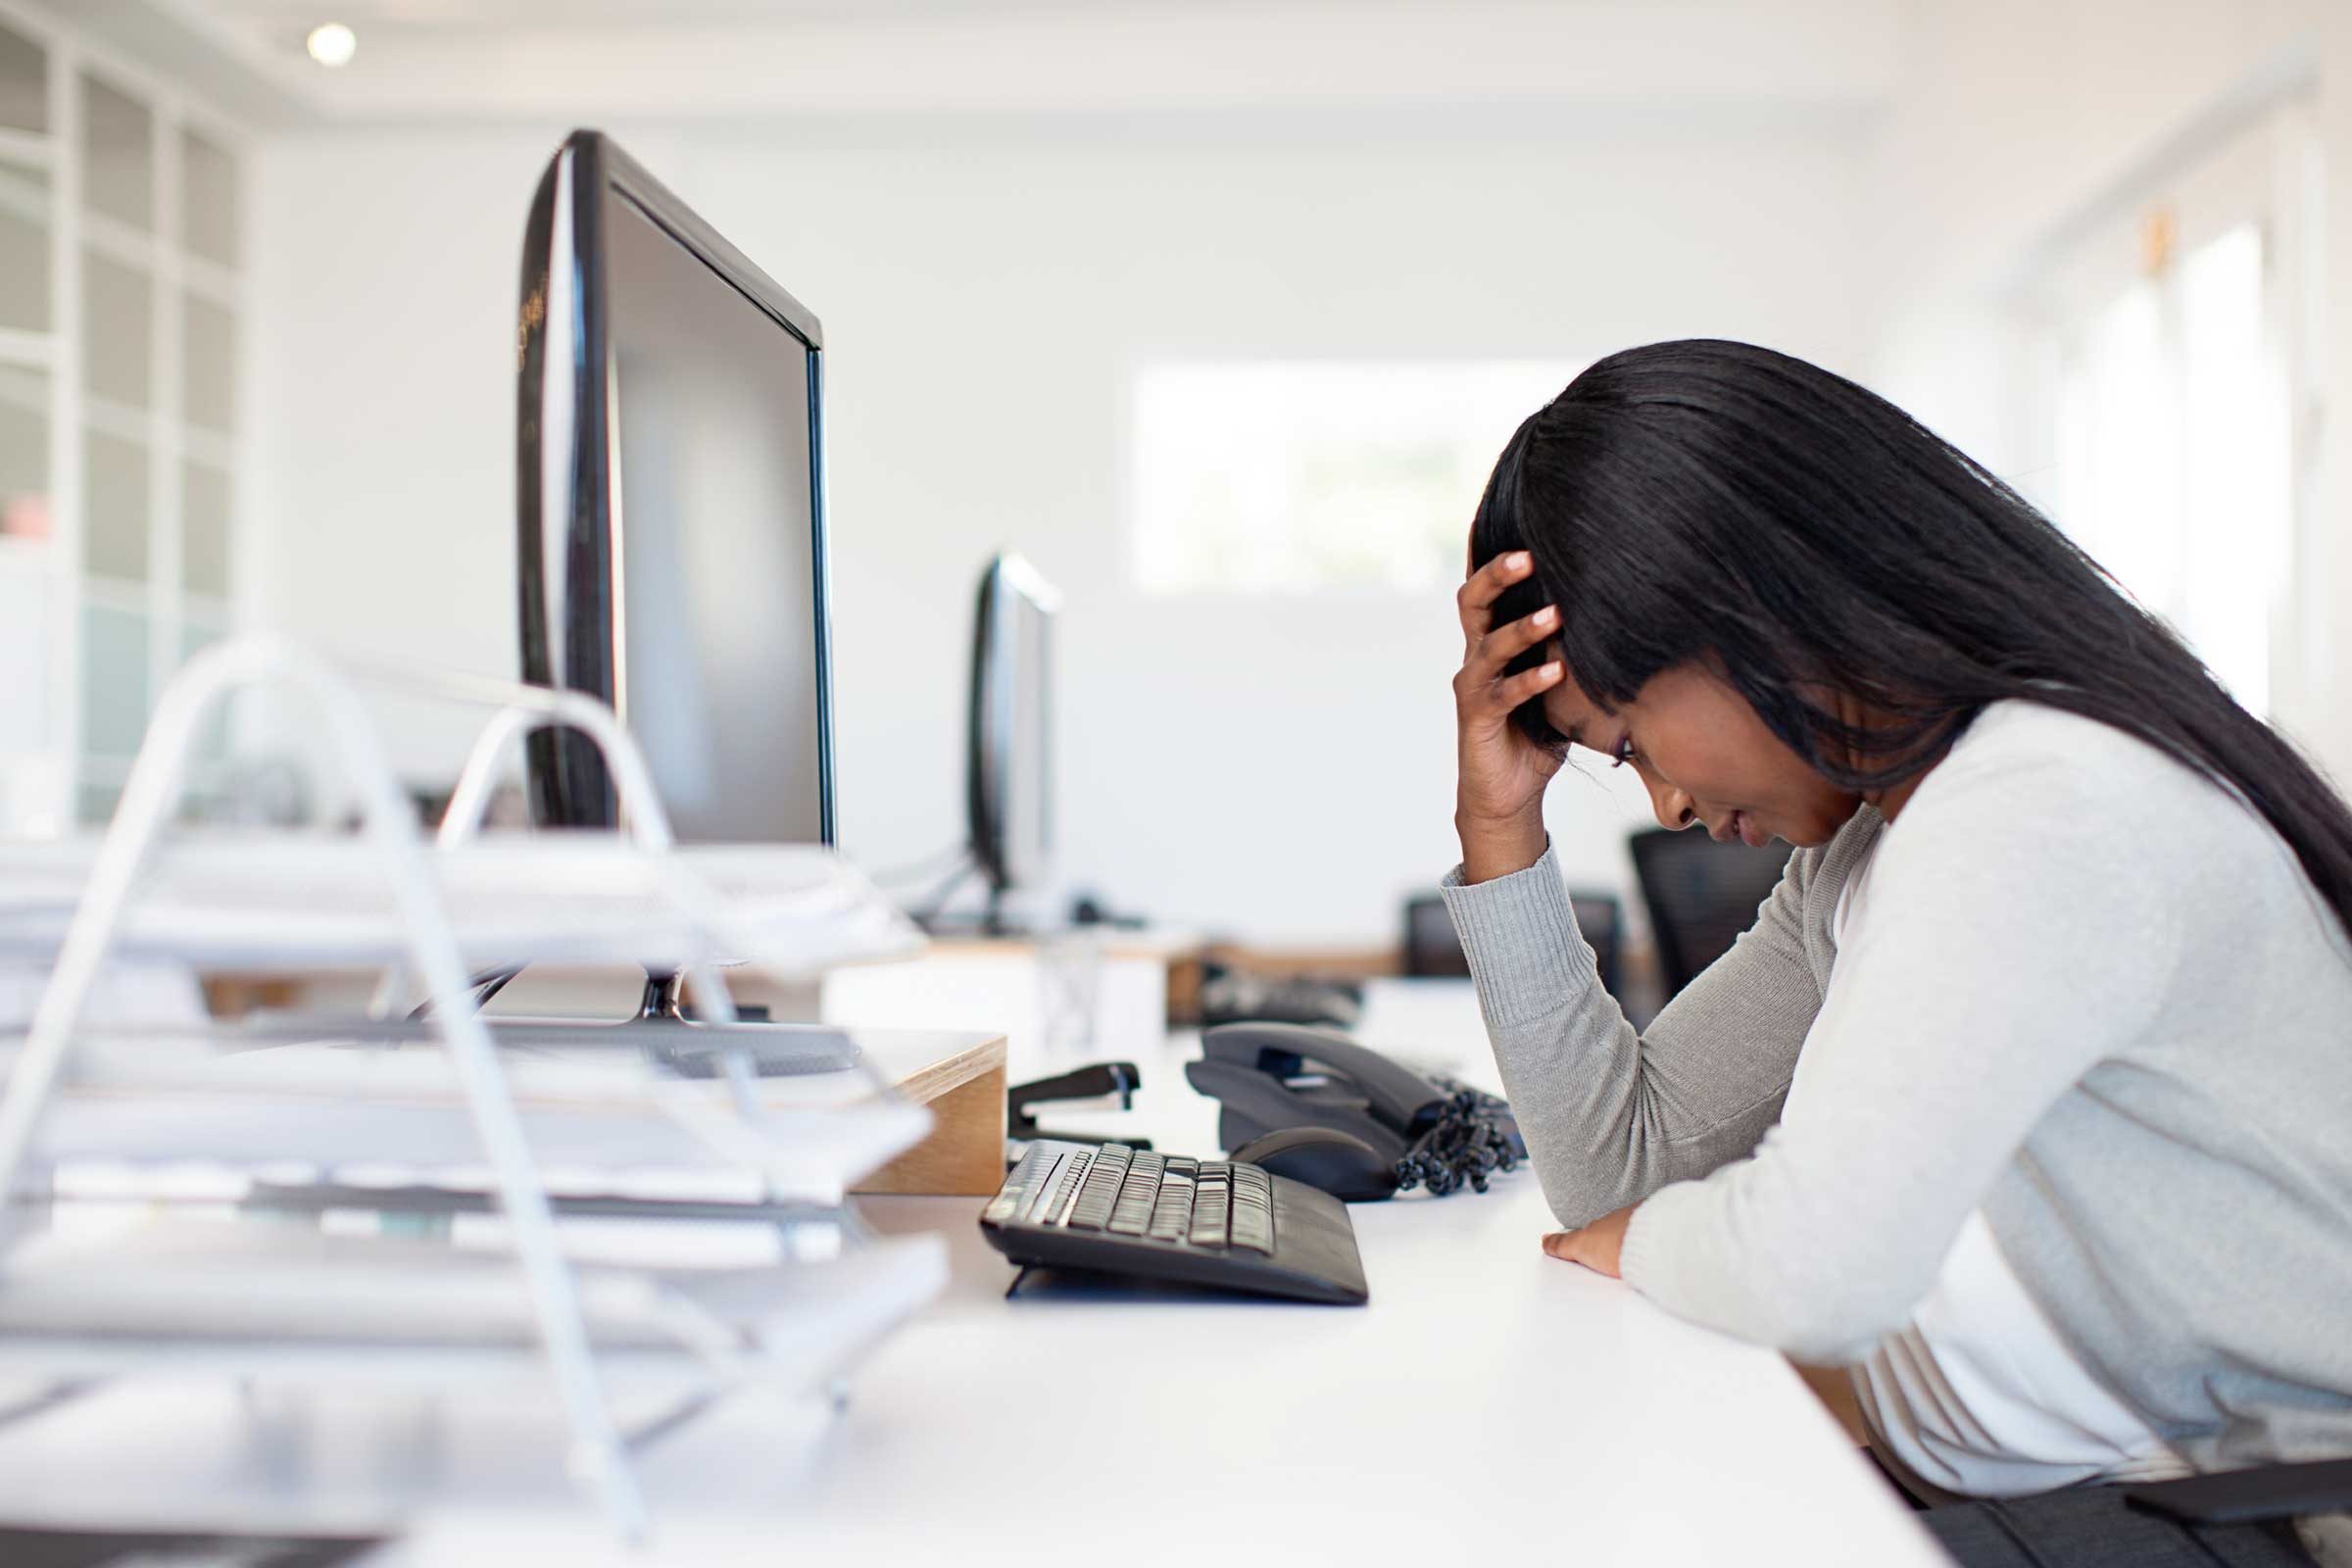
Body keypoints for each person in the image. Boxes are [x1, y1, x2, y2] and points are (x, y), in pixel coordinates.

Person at [1438, 339, 2352, 1568]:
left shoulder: (2039, 798)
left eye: (1634, 738)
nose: (1665, 804)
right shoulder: (1868, 848)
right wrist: (1500, 831)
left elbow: (1814, 1269)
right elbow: (1619, 1165)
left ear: (1743, 614)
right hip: (2120, 1491)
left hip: (2271, 1519)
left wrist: (1643, 1243)